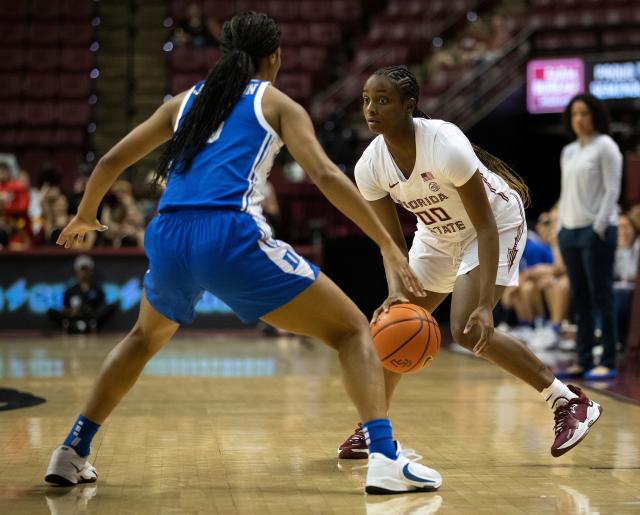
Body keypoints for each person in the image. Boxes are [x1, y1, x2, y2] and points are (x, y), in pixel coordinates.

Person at [44, 12, 442, 495]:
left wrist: (86, 214)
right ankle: (383, 459)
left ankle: (71, 450)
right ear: (274, 57)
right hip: (228, 233)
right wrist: (385, 241)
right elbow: (326, 175)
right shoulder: (275, 102)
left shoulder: (184, 101)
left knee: (142, 339)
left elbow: (110, 160)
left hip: (168, 232)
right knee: (351, 329)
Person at [338, 65, 602, 460]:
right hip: (437, 234)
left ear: (409, 105)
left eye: (382, 100)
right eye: (366, 101)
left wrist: (484, 303)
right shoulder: (369, 166)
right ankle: (375, 429)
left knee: (466, 328)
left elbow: (484, 226)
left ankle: (567, 401)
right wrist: (396, 293)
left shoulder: (444, 144)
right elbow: (390, 242)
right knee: (393, 327)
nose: (371, 109)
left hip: (495, 224)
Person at [557, 94, 622, 381]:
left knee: (601, 296)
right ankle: (583, 358)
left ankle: (607, 359)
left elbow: (612, 189)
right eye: (574, 114)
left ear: (595, 115)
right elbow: (565, 193)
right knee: (580, 299)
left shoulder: (606, 146)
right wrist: (560, 226)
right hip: (569, 232)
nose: (579, 119)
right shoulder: (568, 151)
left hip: (596, 231)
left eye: (584, 113)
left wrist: (598, 227)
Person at [47, 255, 115, 334]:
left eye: (86, 269)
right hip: (74, 317)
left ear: (91, 271)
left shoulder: (97, 289)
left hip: (91, 317)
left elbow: (102, 306)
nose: (84, 273)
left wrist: (91, 311)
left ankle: (91, 325)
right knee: (51, 311)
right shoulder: (70, 290)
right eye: (82, 269)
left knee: (111, 307)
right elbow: (64, 307)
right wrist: (71, 312)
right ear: (76, 271)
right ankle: (70, 325)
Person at [613, 212, 639, 355]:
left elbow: (630, 274)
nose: (623, 231)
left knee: (620, 295)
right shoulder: (611, 248)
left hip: (633, 292)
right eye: (620, 227)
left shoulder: (637, 247)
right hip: (618, 291)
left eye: (626, 227)